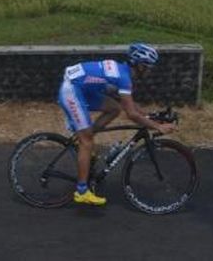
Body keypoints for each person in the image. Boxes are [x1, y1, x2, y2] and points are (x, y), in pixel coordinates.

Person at [57, 43, 175, 206]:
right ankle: (82, 191)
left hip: (82, 87)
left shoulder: (122, 71)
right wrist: (157, 126)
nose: (149, 71)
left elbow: (128, 105)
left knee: (114, 108)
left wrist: (149, 116)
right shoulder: (124, 78)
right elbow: (132, 114)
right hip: (72, 90)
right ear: (140, 65)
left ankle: (86, 135)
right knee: (87, 142)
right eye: (148, 67)